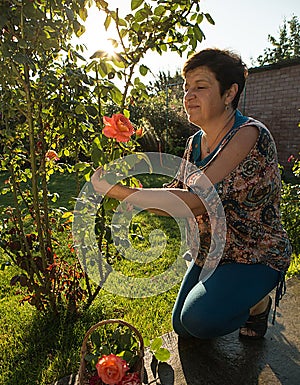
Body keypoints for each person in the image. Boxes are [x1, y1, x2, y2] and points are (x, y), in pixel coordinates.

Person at [91, 48, 292, 340]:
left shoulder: (249, 135)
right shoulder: (195, 142)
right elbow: (177, 193)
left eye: (200, 87)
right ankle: (238, 299)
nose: (188, 95)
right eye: (186, 88)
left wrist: (119, 192)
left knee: (198, 320)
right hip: (211, 254)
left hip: (254, 255)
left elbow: (196, 201)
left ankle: (257, 306)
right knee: (183, 328)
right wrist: (133, 190)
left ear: (229, 93)